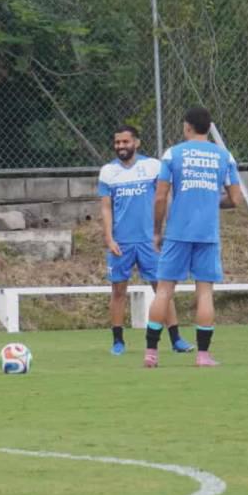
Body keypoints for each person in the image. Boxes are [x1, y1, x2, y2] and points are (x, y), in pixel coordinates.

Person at [144, 107, 242, 368]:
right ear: (209, 128)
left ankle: (151, 353)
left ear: (187, 127)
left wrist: (156, 230)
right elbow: (235, 199)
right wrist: (213, 201)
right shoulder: (224, 156)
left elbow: (160, 196)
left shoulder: (173, 154)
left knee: (164, 291)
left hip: (177, 232)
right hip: (207, 234)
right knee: (205, 293)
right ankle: (203, 356)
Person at [97, 125, 192, 356]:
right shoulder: (108, 171)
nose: (121, 146)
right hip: (121, 242)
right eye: (117, 142)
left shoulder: (152, 167)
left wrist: (167, 231)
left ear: (136, 143)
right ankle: (118, 341)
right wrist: (109, 238)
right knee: (118, 291)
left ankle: (176, 339)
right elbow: (106, 208)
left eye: (125, 142)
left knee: (162, 290)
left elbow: (164, 198)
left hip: (150, 241)